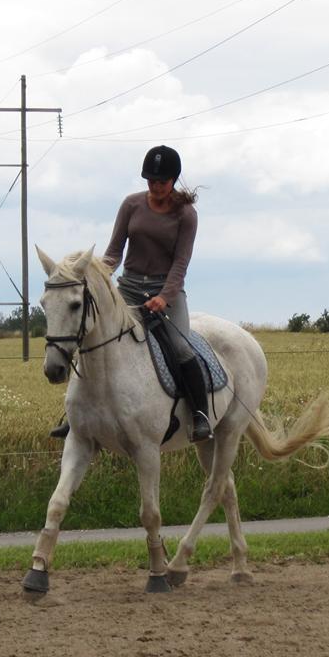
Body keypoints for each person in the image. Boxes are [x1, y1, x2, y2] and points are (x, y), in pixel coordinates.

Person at [51, 144, 213, 443]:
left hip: (168, 292)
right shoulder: (131, 205)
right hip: (128, 288)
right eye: (150, 180)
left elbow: (181, 263)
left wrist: (164, 296)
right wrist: (98, 275)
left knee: (179, 346)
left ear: (173, 180)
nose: (155, 186)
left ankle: (200, 413)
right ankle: (73, 416)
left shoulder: (186, 215)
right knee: (93, 339)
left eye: (161, 181)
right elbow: (113, 252)